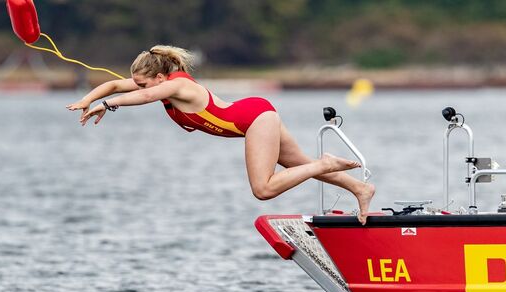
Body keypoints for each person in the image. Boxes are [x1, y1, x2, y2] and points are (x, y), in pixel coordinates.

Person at [67, 45, 375, 224]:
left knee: (263, 189)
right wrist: (87, 100)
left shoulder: (178, 85)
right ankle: (360, 190)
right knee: (296, 165)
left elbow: (143, 97)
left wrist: (108, 105)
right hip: (255, 116)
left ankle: (324, 163)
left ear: (160, 77)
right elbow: (114, 85)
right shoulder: (158, 85)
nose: (139, 87)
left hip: (254, 119)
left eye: (144, 83)